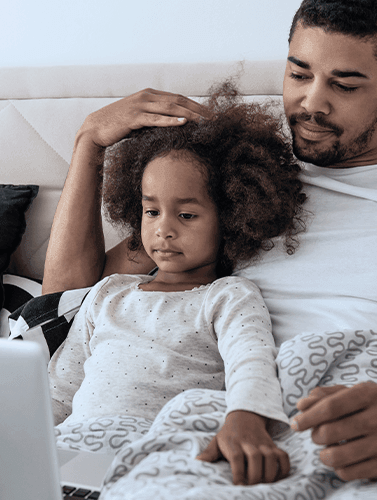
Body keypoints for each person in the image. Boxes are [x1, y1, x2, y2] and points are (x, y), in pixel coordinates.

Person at [43, 0, 377, 484]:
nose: (312, 103)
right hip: (241, 425)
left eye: (344, 84)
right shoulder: (239, 180)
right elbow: (66, 304)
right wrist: (88, 144)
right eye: (298, 74)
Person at [48, 82, 308, 486]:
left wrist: (245, 419)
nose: (163, 230)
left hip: (160, 454)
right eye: (152, 211)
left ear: (234, 217)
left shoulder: (228, 297)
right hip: (72, 455)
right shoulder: (109, 292)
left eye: (186, 216)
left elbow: (250, 361)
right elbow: (60, 391)